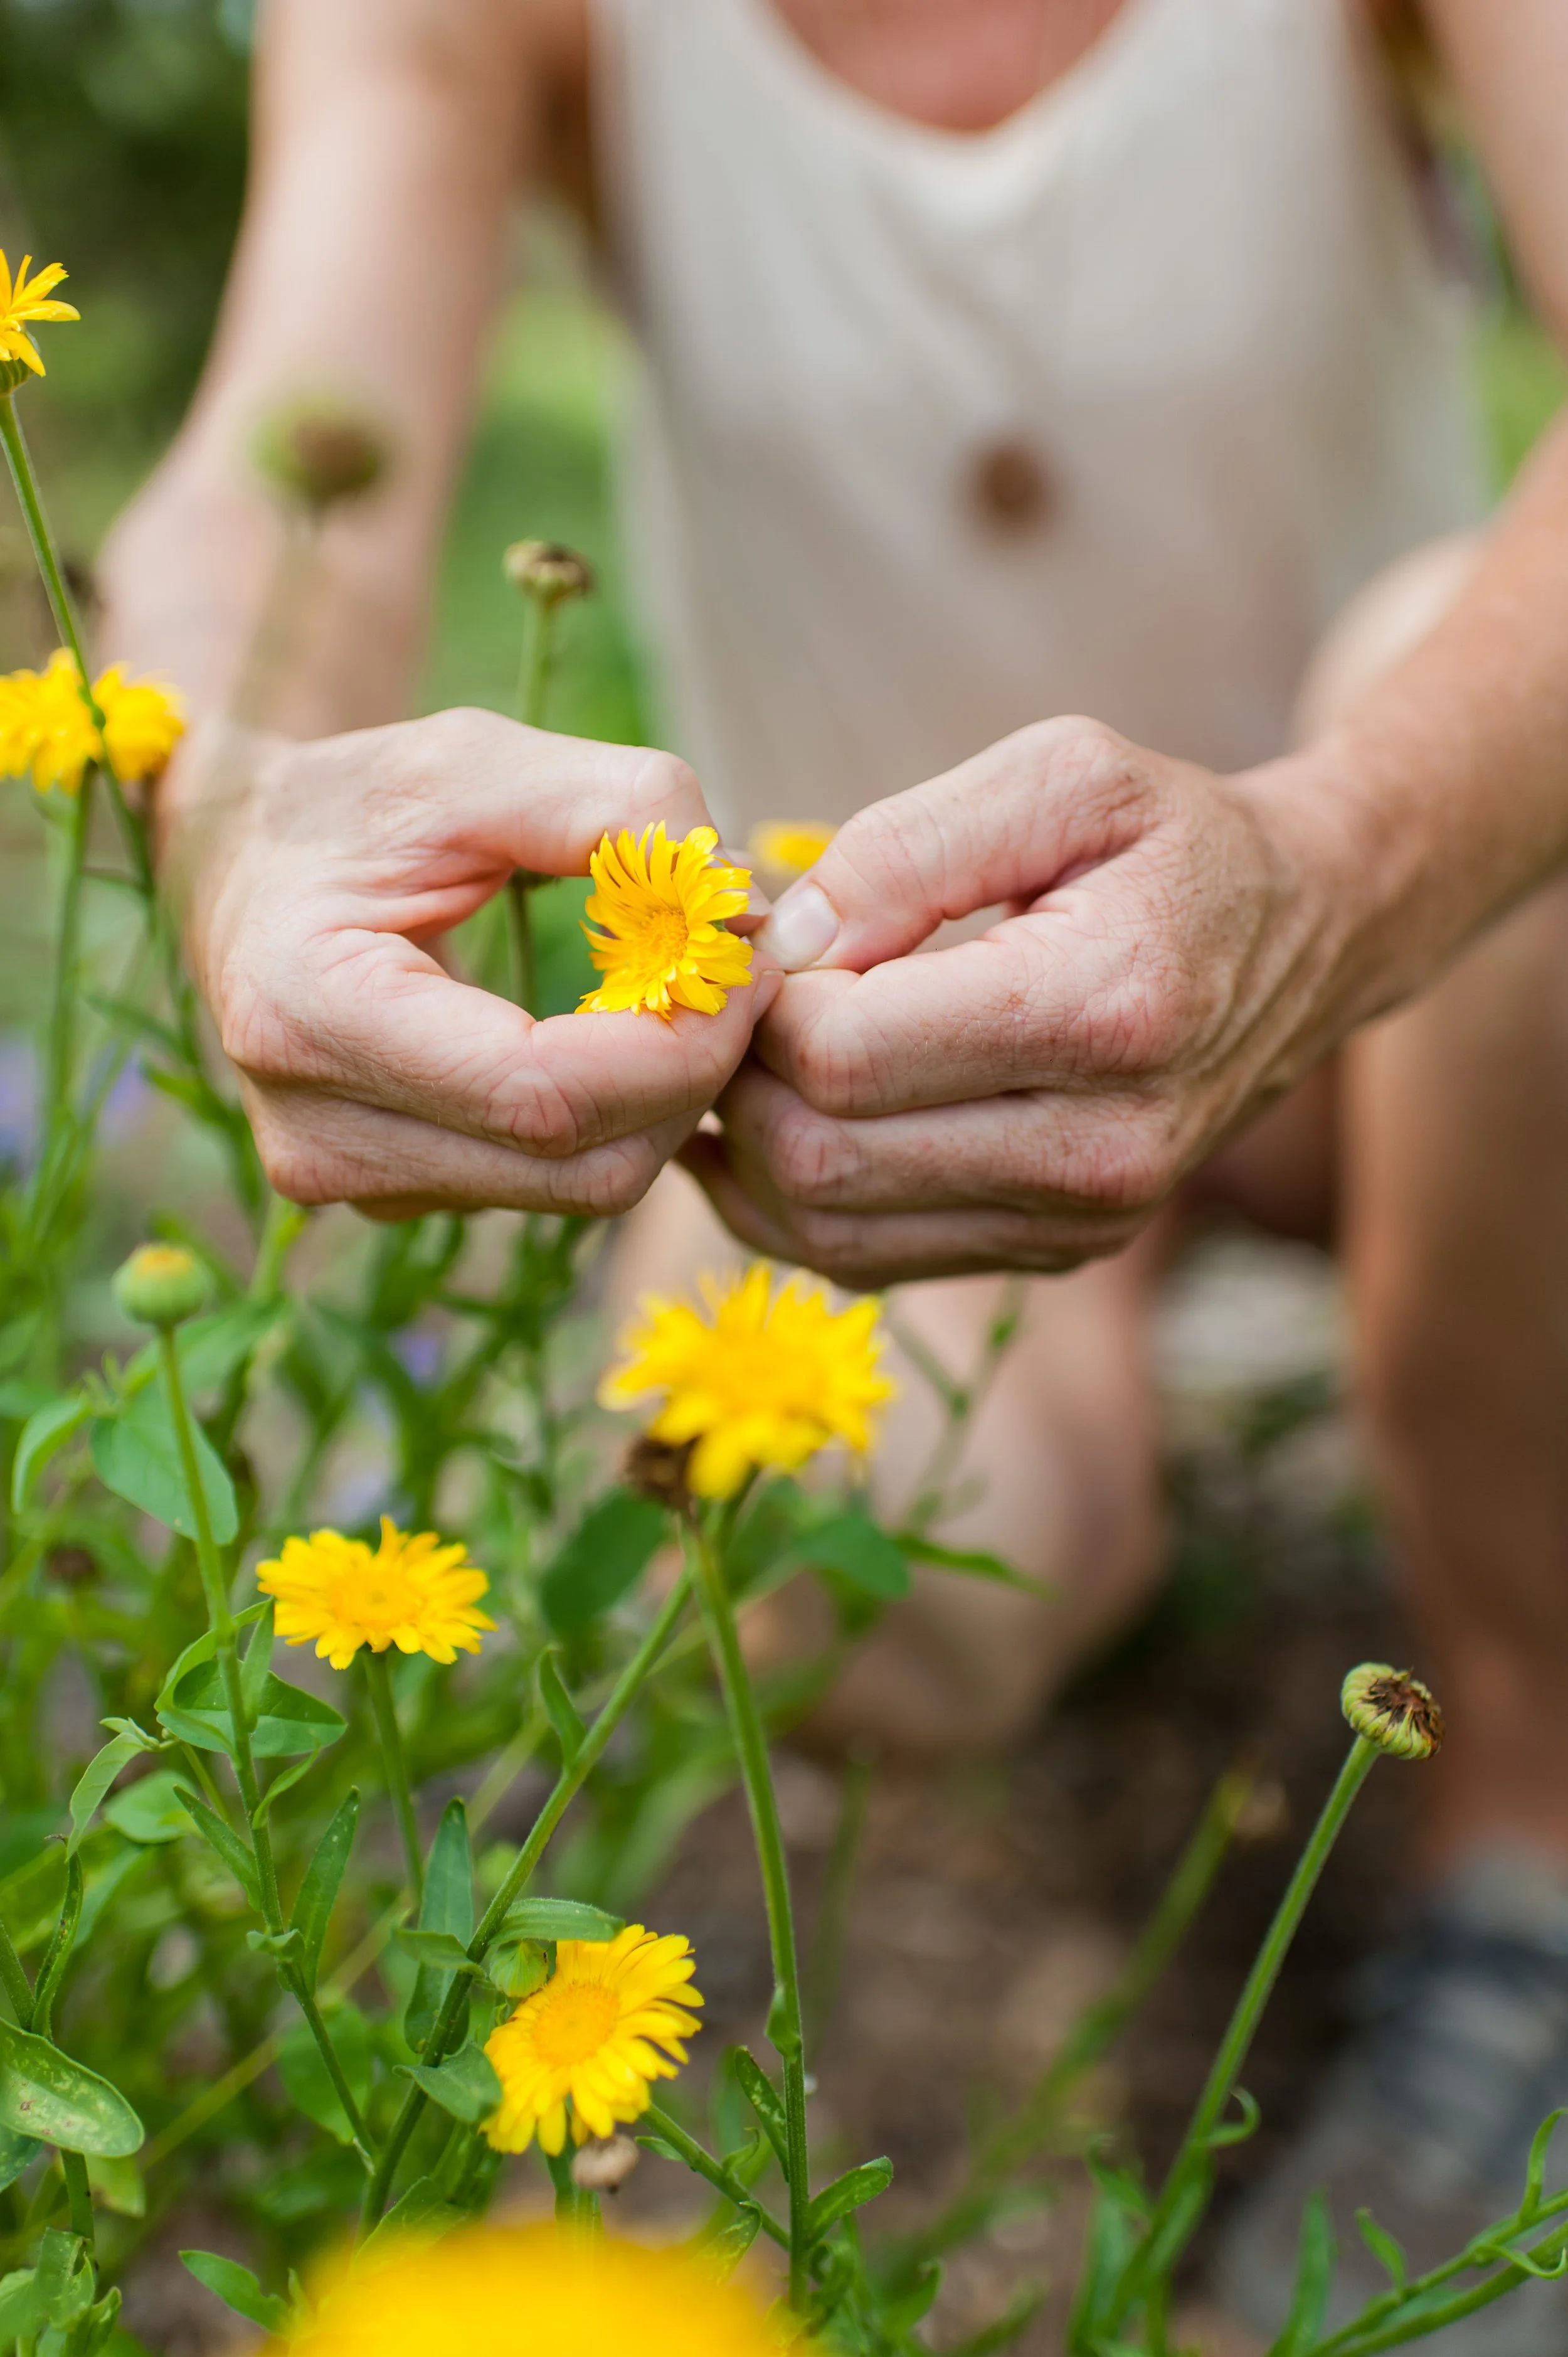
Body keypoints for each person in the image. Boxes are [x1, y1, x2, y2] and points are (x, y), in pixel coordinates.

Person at [97, 0, 1568, 2343]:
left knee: (1522, 808)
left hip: (1394, 929)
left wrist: (1329, 858)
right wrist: (233, 795)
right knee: (876, 1573)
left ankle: (1529, 1831)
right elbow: (305, 484)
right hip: (846, 1050)